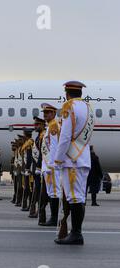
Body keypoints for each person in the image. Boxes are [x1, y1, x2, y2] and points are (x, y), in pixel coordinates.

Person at [55, 81, 94, 245]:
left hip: (71, 160)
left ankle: (76, 234)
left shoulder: (68, 106)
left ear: (67, 93)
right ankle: (76, 232)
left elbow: (64, 137)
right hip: (83, 156)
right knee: (79, 197)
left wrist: (58, 158)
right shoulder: (88, 108)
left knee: (74, 197)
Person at [39, 103, 61, 227]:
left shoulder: (53, 126)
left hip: (52, 166)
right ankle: (53, 217)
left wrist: (52, 165)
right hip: (48, 164)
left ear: (53, 113)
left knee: (55, 192)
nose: (45, 115)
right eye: (44, 113)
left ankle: (54, 218)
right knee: (51, 192)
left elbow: (55, 146)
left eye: (48, 112)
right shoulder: (50, 126)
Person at [28, 117, 46, 218]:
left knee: (42, 192)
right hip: (37, 169)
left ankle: (40, 212)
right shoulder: (38, 137)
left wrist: (38, 167)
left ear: (43, 125)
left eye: (38, 125)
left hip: (42, 169)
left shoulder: (44, 136)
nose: (36, 126)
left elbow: (42, 154)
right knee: (37, 190)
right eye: (35, 124)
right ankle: (36, 210)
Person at [20, 129, 34, 211]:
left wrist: (27, 168)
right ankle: (28, 205)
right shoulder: (27, 143)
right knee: (27, 187)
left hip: (29, 169)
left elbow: (29, 157)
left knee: (30, 188)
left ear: (26, 135)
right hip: (27, 168)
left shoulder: (29, 143)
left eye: (24, 134)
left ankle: (31, 206)